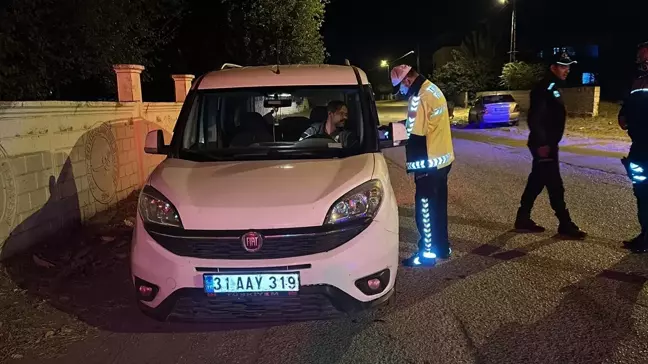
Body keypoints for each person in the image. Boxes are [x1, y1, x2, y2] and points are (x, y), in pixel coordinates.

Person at [514, 52, 587, 239]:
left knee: (537, 181)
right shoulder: (544, 88)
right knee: (555, 185)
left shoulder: (552, 86)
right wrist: (543, 143)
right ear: (553, 68)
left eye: (568, 66)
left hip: (547, 144)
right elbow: (535, 118)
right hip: (544, 145)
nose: (567, 70)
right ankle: (565, 223)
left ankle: (522, 218)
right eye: (563, 66)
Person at [390, 64, 454, 267]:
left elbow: (414, 132)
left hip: (428, 163)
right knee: (438, 208)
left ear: (407, 81)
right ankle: (442, 247)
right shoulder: (432, 89)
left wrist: (390, 132)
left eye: (401, 87)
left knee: (424, 209)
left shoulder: (420, 97)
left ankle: (426, 254)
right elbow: (418, 123)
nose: (401, 92)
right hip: (442, 160)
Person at [619, 41, 648, 253]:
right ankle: (645, 234)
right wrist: (623, 115)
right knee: (641, 191)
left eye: (645, 53)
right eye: (641, 54)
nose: (641, 57)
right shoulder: (637, 79)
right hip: (639, 146)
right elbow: (629, 103)